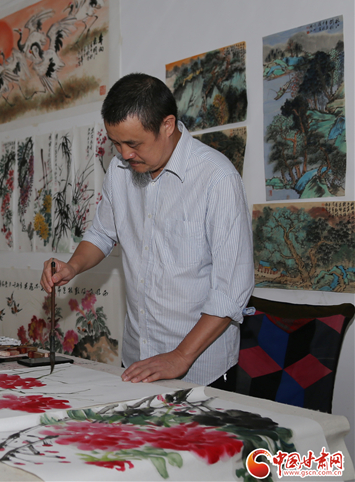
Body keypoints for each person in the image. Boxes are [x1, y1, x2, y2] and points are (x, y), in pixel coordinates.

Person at [40, 73, 254, 387]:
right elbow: (102, 234)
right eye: (116, 143)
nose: (125, 154)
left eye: (133, 143)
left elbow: (230, 292)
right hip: (138, 357)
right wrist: (72, 266)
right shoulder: (120, 170)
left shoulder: (217, 179)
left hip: (199, 368)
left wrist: (180, 356)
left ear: (167, 125)